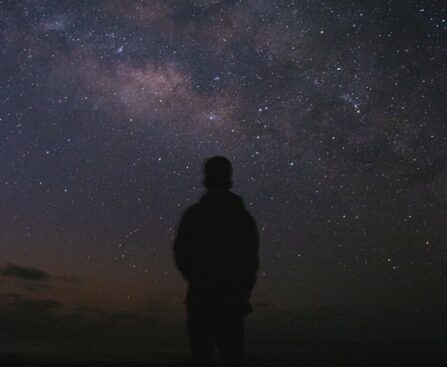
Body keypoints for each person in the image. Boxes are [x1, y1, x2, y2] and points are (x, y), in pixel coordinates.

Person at [174, 156, 259, 366]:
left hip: (203, 299)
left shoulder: (194, 214)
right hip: (231, 301)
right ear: (229, 180)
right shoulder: (242, 217)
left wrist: (196, 278)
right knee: (231, 356)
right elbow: (251, 261)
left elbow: (181, 252)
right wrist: (243, 291)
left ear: (206, 180)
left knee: (202, 356)